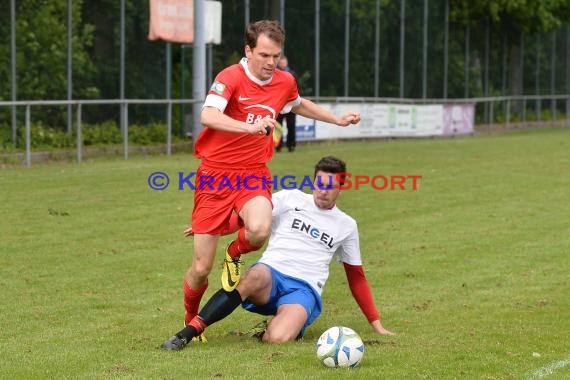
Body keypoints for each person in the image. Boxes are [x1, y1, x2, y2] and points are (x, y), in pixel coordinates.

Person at [181, 19, 361, 337]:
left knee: (260, 228)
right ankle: (191, 319)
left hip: (252, 173)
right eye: (264, 55)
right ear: (248, 50)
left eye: (275, 56)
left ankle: (234, 254)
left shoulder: (283, 82)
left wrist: (336, 119)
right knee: (199, 269)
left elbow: (298, 104)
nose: (270, 62)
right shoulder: (230, 77)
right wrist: (249, 127)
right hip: (214, 176)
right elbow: (208, 115)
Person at [162, 156, 394, 350]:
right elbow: (247, 219)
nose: (323, 191)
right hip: (271, 274)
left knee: (278, 339)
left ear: (341, 188)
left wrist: (376, 323)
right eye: (319, 184)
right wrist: (211, 227)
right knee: (254, 276)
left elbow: (356, 277)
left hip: (304, 289)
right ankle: (187, 333)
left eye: (330, 186)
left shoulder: (346, 225)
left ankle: (268, 329)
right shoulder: (290, 198)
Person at [275, 55, 297, 153]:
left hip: (291, 105)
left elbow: (297, 89)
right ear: (279, 63)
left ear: (287, 63)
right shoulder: (274, 74)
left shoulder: (292, 74)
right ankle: (278, 146)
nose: (283, 64)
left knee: (291, 126)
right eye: (281, 62)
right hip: (279, 105)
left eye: (285, 62)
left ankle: (291, 145)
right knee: (278, 126)